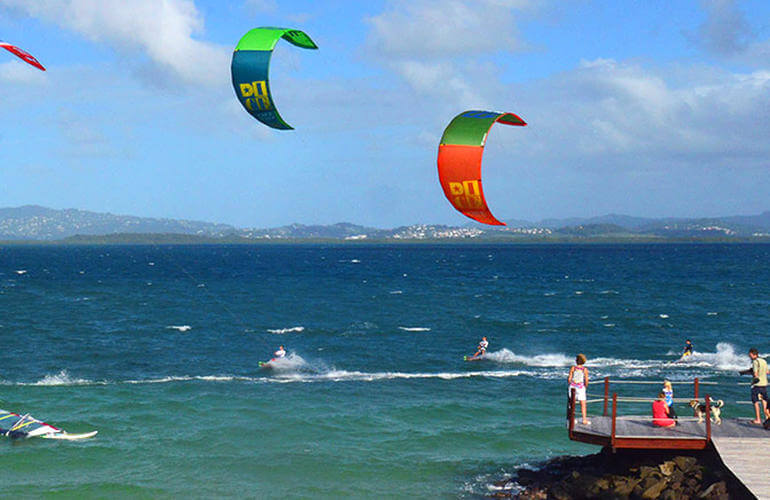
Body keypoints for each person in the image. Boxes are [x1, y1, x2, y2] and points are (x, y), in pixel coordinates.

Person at [739, 348, 768, 424]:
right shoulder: (763, 361)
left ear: (753, 354)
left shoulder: (755, 362)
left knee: (755, 402)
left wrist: (748, 373)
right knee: (764, 401)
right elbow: (767, 371)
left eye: (750, 354)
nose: (749, 356)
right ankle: (767, 417)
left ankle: (758, 419)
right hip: (764, 384)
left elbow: (755, 374)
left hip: (757, 385)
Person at [568, 354, 590, 425]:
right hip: (581, 388)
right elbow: (586, 380)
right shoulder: (585, 369)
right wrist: (585, 386)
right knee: (583, 404)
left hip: (573, 387)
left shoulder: (573, 368)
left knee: (572, 404)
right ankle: (584, 420)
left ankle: (572, 419)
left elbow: (569, 379)